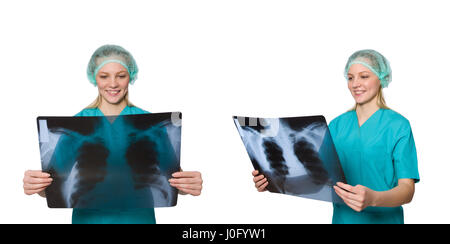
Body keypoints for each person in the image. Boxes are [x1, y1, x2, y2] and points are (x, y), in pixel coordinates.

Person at [23, 44, 203, 224]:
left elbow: (174, 181)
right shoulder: (77, 124)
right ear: (94, 78)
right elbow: (52, 187)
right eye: (104, 76)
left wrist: (189, 185)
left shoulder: (150, 124)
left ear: (130, 77)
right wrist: (36, 184)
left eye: (121, 76)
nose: (113, 84)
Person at [252, 49, 420, 224]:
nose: (355, 84)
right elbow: (318, 180)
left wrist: (373, 198)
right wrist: (274, 182)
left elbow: (407, 190)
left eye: (364, 76)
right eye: (350, 77)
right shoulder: (336, 126)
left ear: (381, 78)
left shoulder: (398, 126)